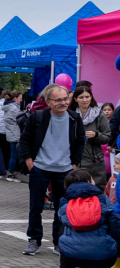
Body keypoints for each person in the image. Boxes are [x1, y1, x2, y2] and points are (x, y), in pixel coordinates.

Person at [19, 84, 84, 256]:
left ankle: (59, 241)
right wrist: (30, 162)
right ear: (48, 102)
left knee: (62, 208)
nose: (63, 103)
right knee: (36, 206)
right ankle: (34, 240)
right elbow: (25, 140)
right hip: (40, 168)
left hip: (65, 170)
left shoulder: (74, 118)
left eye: (65, 99)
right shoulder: (38, 117)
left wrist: (74, 165)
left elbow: (79, 143)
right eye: (58, 100)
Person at [57, 168, 120, 268]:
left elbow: (59, 225)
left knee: (63, 229)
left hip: (71, 253)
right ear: (88, 182)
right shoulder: (103, 199)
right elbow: (115, 224)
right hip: (102, 252)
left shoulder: (64, 201)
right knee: (104, 235)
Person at [70, 85, 110, 189]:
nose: (85, 100)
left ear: (91, 97)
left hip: (95, 162)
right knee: (77, 190)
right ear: (75, 99)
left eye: (87, 97)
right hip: (74, 160)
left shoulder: (100, 115)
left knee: (96, 191)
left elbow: (107, 137)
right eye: (81, 97)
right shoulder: (70, 115)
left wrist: (96, 135)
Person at [1, 90, 24, 181]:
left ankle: (10, 172)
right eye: (20, 98)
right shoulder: (14, 108)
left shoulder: (8, 106)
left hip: (11, 132)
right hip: (15, 132)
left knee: (13, 154)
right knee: (14, 155)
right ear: (15, 98)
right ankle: (11, 174)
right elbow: (20, 119)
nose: (21, 100)